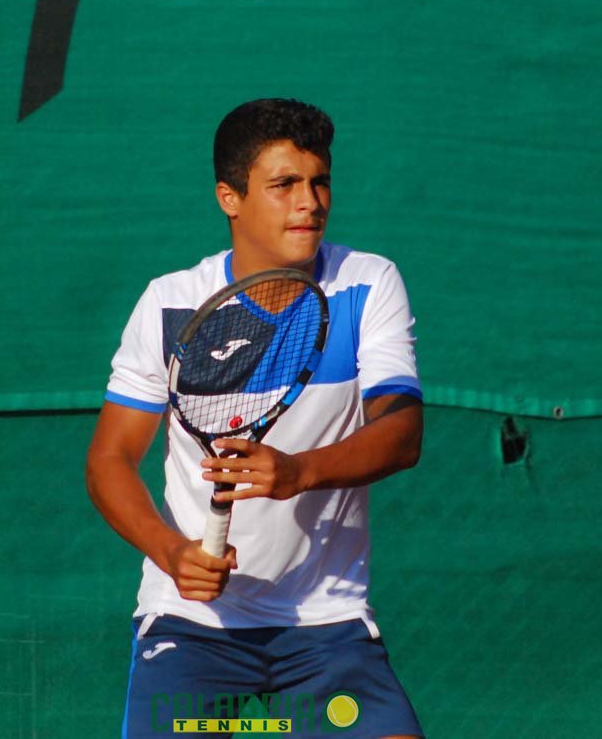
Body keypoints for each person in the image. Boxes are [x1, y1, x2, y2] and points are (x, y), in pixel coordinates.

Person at [85, 98, 425, 739]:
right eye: (284, 184)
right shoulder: (170, 303)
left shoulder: (367, 283)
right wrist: (171, 552)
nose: (310, 203)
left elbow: (402, 433)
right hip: (193, 627)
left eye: (320, 181)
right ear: (230, 198)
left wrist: (299, 472)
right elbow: (109, 459)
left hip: (327, 627)